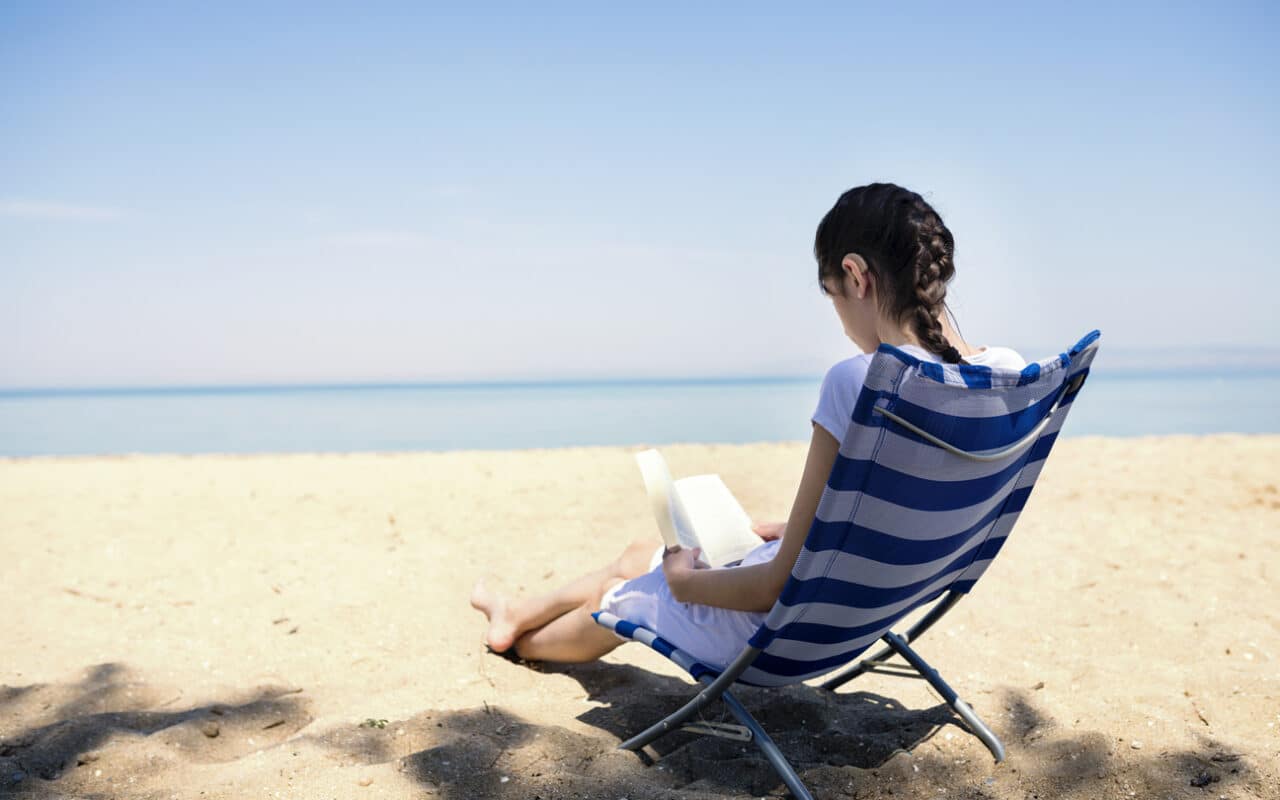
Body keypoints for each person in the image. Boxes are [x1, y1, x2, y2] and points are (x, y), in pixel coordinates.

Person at [470, 182, 1027, 668]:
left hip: (784, 633)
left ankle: (522, 645)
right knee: (646, 547)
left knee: (629, 591)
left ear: (855, 276)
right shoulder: (1005, 372)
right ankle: (516, 612)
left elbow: (771, 589)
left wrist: (684, 584)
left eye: (833, 295)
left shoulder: (860, 381)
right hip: (872, 605)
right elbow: (915, 495)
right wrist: (816, 529)